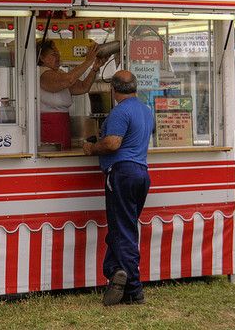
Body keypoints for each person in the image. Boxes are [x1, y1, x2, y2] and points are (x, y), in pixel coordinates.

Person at [83, 70, 154, 306]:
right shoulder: (146, 110)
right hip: (141, 173)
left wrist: (92, 148)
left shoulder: (120, 111)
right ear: (135, 88)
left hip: (122, 173)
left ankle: (134, 289)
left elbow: (113, 143)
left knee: (123, 232)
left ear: (113, 90)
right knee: (123, 227)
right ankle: (115, 274)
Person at [37, 39, 106, 150]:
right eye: (54, 54)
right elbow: (69, 80)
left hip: (63, 123)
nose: (58, 57)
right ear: (42, 58)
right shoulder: (43, 74)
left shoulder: (59, 73)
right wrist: (88, 61)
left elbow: (83, 87)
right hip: (49, 124)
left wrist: (95, 68)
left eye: (58, 53)